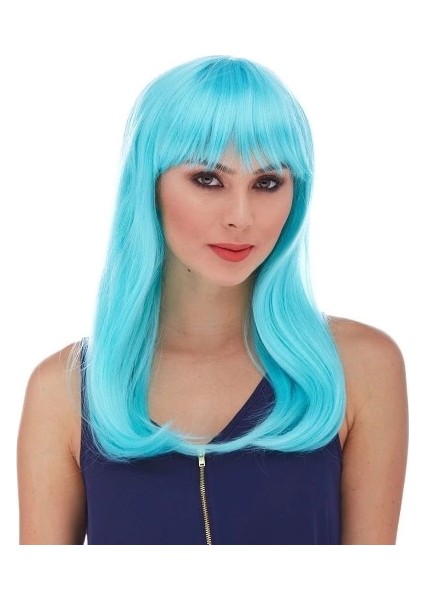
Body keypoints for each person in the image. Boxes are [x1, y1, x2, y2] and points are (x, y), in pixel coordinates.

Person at [17, 55, 408, 545]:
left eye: (267, 183)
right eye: (208, 179)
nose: (241, 217)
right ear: (149, 185)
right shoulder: (63, 390)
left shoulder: (360, 368)